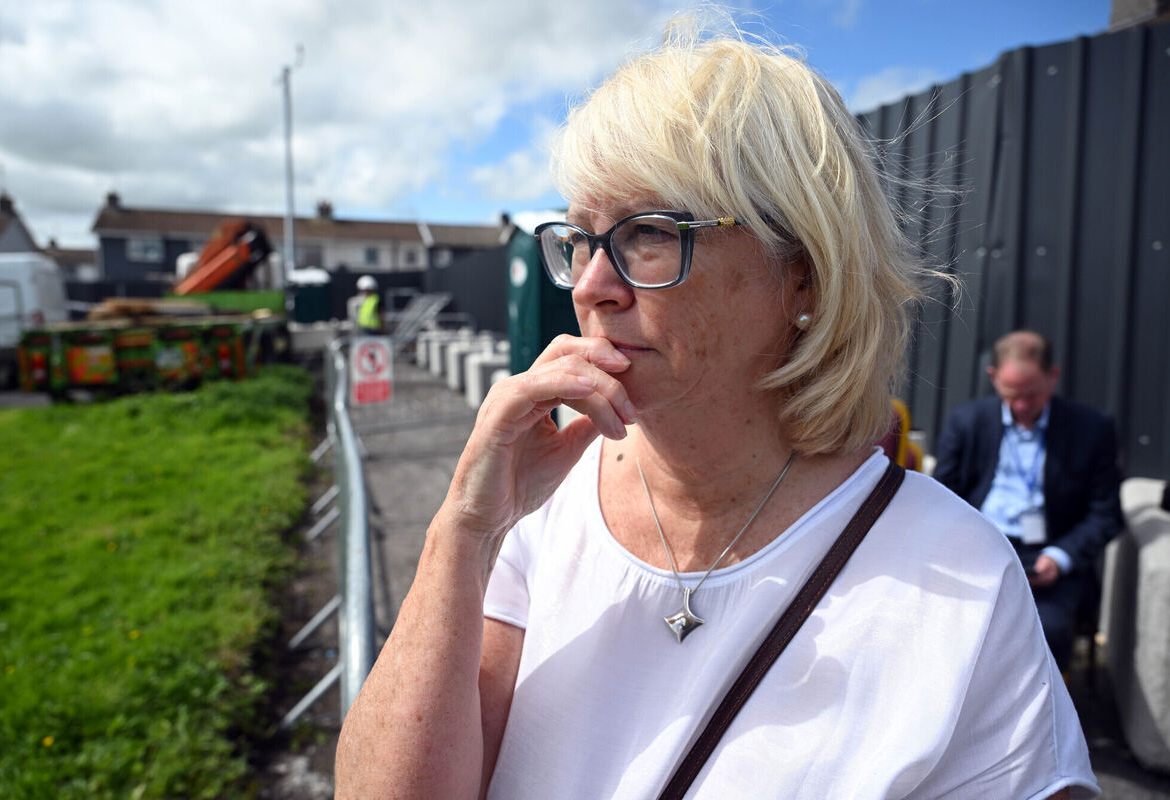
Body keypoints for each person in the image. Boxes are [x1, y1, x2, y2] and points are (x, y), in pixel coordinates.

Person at [335, 22, 1097, 800]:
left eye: (650, 234)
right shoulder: (544, 503)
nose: (592, 285)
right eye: (581, 238)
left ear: (802, 275)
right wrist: (464, 529)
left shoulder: (959, 582)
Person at [934, 330, 1122, 674]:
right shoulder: (967, 421)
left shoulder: (1092, 429)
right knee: (948, 624)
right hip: (979, 548)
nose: (1021, 406)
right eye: (1011, 394)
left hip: (1050, 555)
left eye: (1031, 395)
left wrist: (1060, 557)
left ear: (1053, 376)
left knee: (1044, 633)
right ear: (993, 378)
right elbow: (942, 496)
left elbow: (1105, 513)